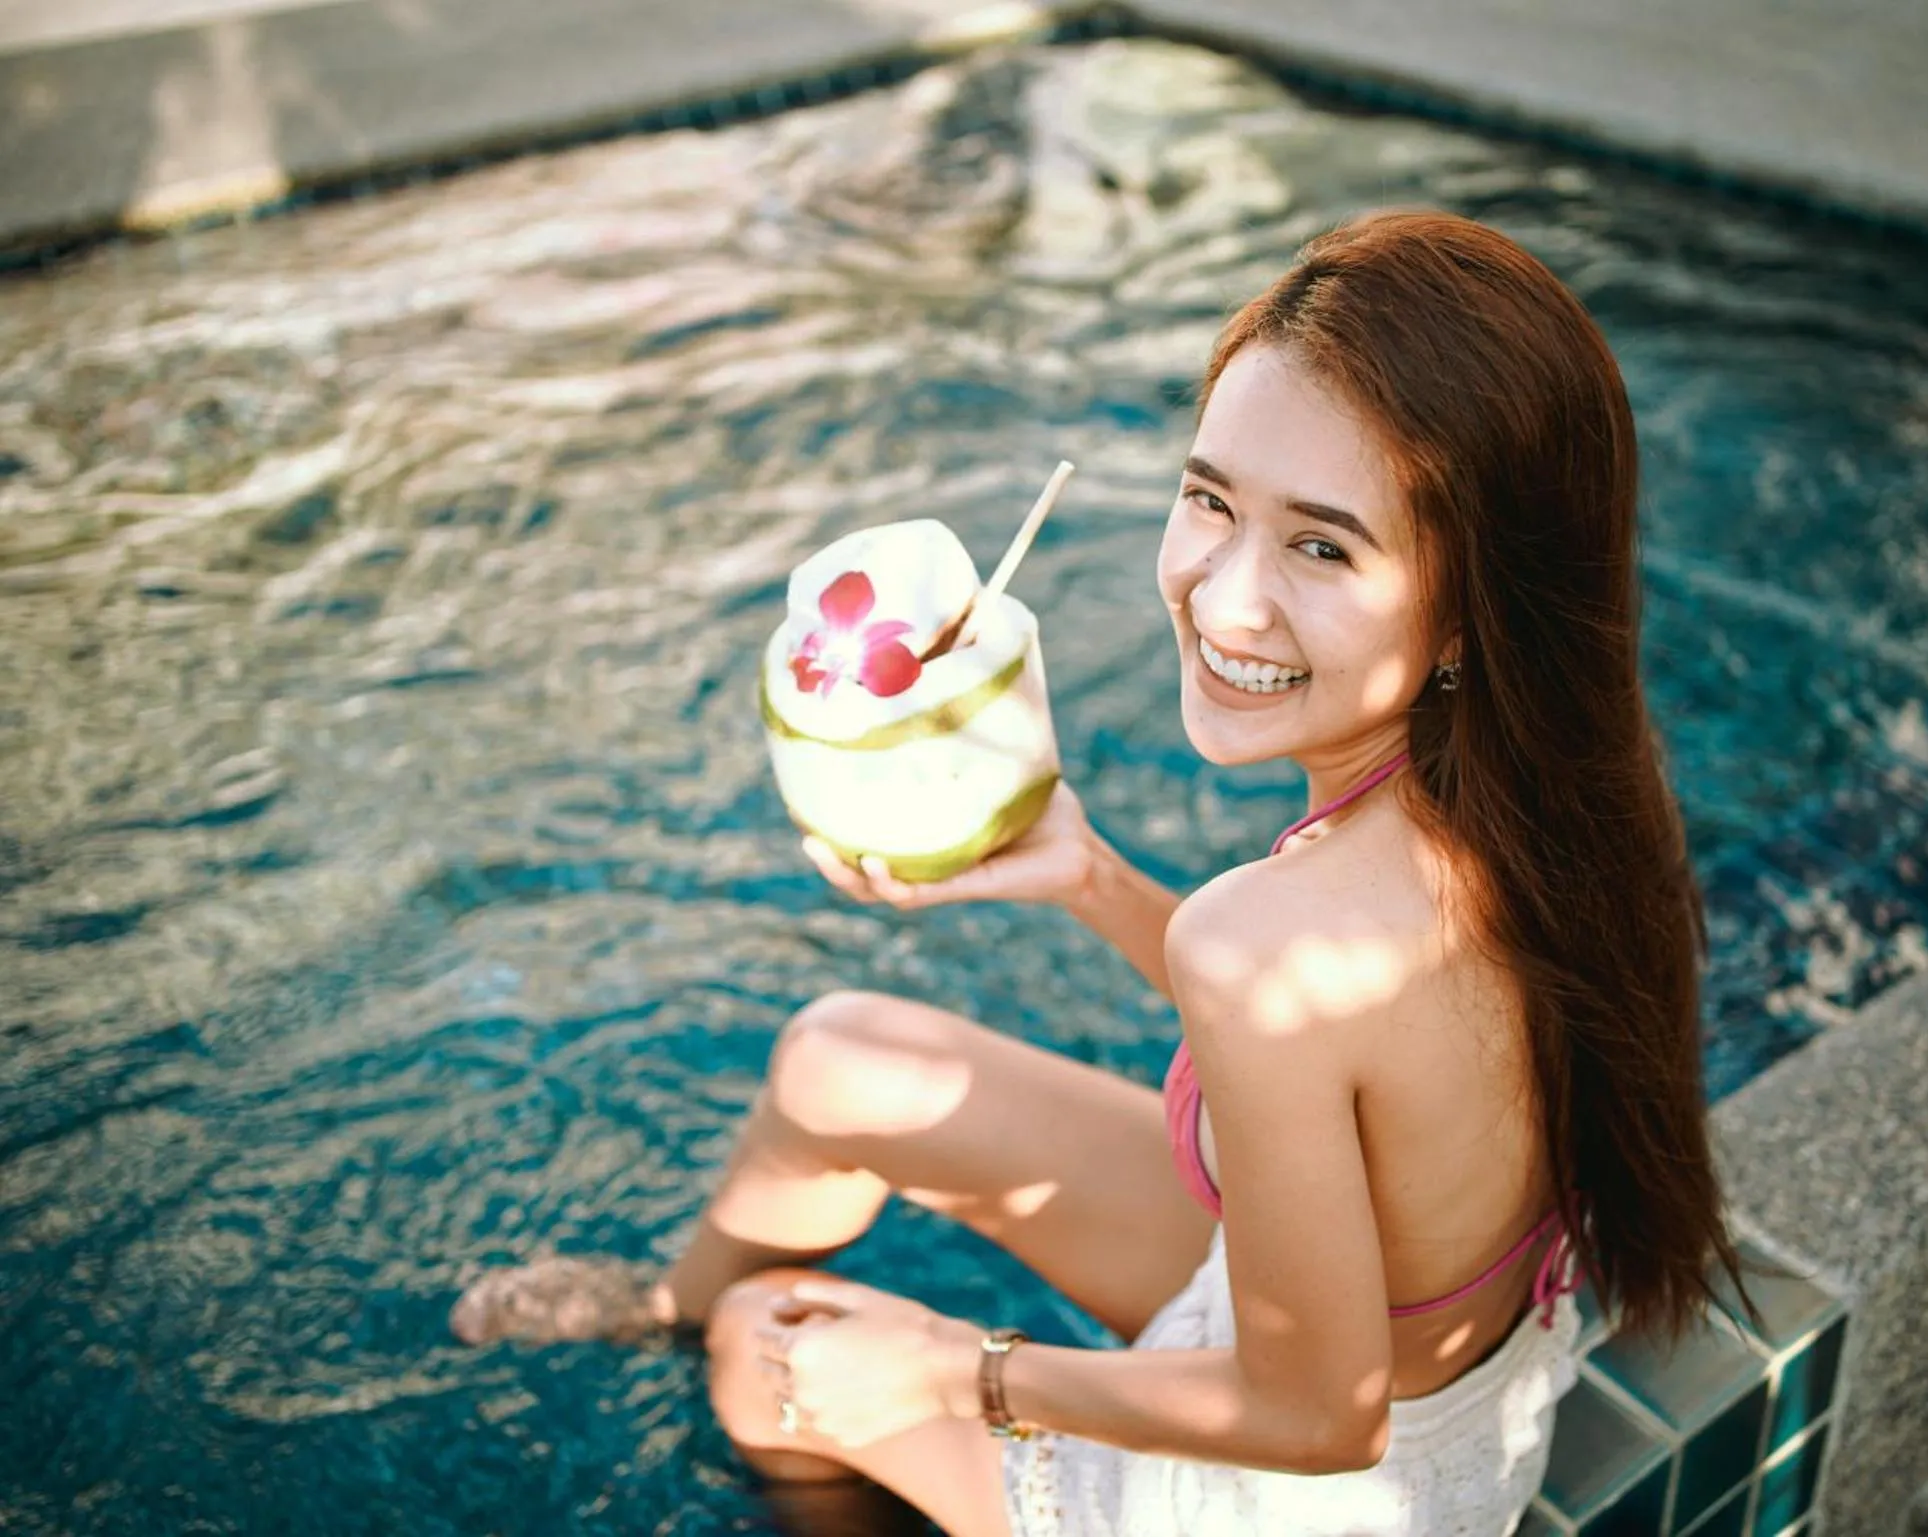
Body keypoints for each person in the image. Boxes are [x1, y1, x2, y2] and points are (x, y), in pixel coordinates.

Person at [451, 208, 1744, 1537]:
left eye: (1322, 546)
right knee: (842, 1061)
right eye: (1210, 501)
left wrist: (954, 1369)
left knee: (768, 1351)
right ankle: (663, 1307)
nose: (1222, 599)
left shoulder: (1268, 936)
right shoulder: (1551, 805)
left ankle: (734, 1363)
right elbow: (1358, 1054)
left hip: (1302, 1493)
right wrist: (1085, 874)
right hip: (1431, 1377)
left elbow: (1320, 1417)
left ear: (1473, 606)